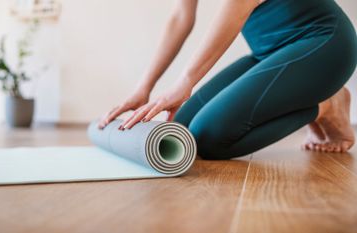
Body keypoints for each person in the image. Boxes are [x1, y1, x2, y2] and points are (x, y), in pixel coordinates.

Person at [98, 0, 357, 159]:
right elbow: (180, 17)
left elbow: (241, 1)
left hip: (323, 43)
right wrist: (144, 87)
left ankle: (326, 105)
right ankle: (323, 99)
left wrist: (185, 82)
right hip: (268, 54)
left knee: (211, 138)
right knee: (185, 129)